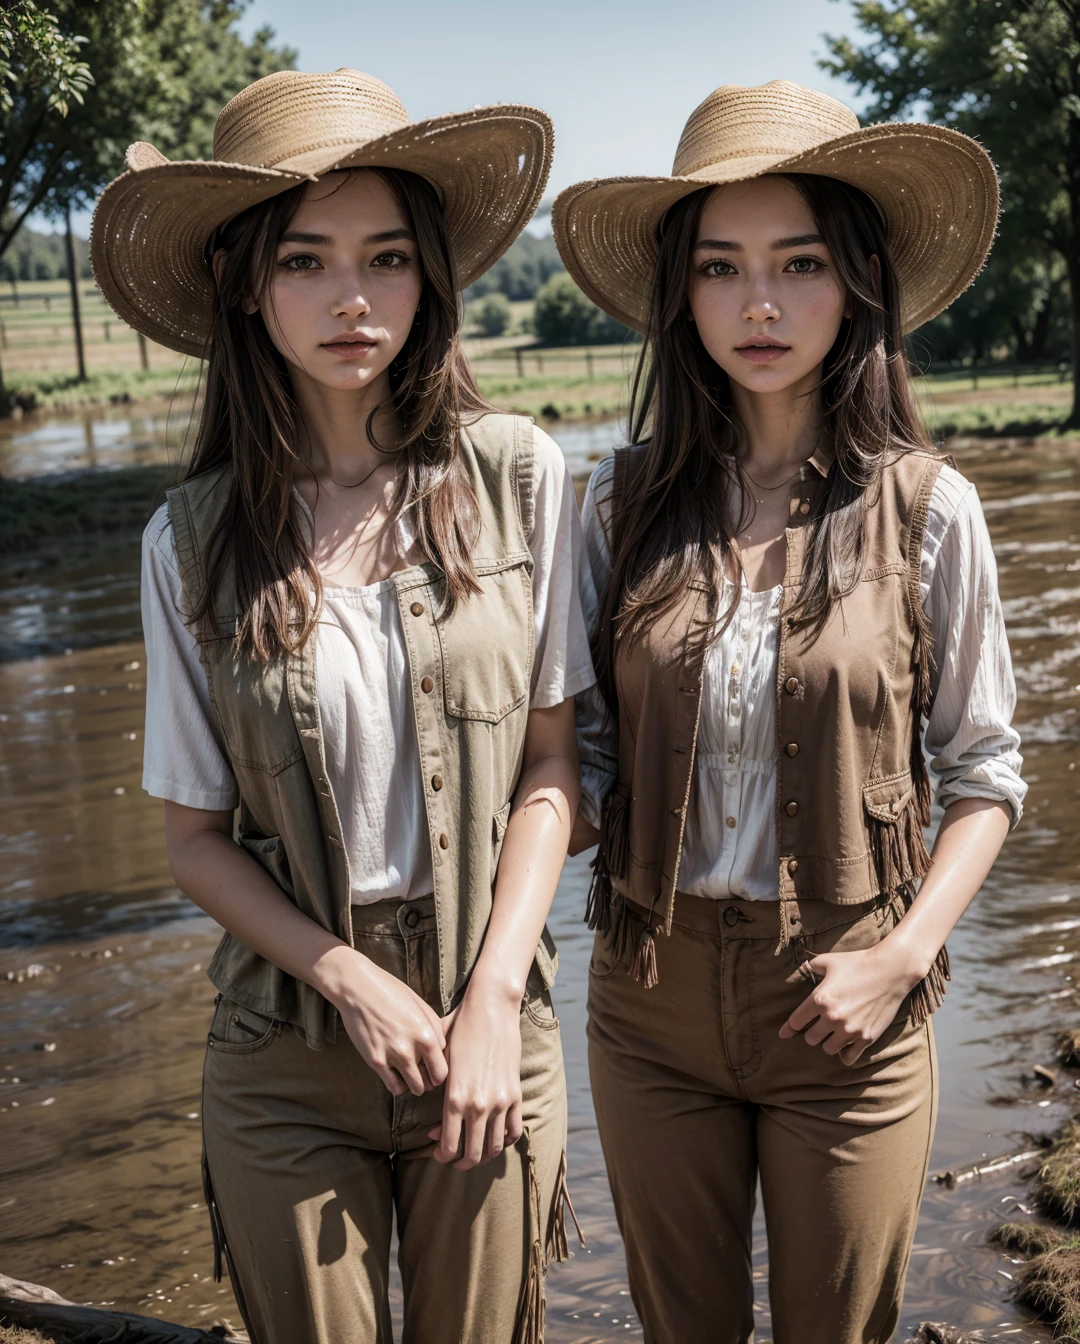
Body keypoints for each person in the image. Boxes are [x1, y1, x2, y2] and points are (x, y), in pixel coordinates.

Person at [92, 67, 593, 1344]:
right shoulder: (187, 541)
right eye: (306, 260)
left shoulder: (520, 475)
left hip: (489, 1030)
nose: (352, 297)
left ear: (430, 278)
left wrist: (486, 1003)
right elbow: (194, 842)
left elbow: (554, 770)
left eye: (384, 257)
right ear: (246, 289)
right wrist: (355, 985)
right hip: (284, 1054)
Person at [553, 80, 1025, 1344]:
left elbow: (983, 774)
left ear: (856, 281)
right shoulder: (613, 505)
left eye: (798, 265)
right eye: (721, 268)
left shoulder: (934, 510)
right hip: (645, 1002)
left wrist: (904, 956)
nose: (759, 306)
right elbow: (577, 765)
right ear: (682, 295)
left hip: (852, 996)